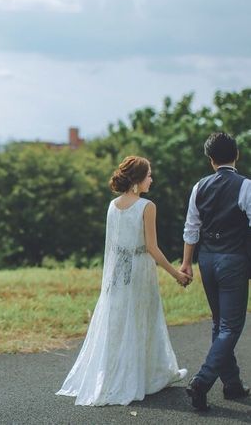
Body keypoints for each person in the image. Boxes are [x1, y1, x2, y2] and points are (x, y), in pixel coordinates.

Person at [56, 156, 190, 406]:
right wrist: (176, 274)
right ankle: (148, 376)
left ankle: (118, 374)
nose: (152, 179)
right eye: (148, 175)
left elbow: (112, 247)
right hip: (139, 271)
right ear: (138, 179)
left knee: (119, 321)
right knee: (143, 318)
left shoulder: (113, 205)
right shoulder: (147, 206)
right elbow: (152, 247)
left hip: (117, 274)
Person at [181, 132, 251, 412]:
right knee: (231, 326)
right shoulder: (246, 186)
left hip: (207, 260)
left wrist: (186, 263)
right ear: (237, 155)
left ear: (211, 160)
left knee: (219, 323)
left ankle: (232, 384)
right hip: (234, 260)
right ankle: (202, 381)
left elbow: (191, 227)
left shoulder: (199, 186)